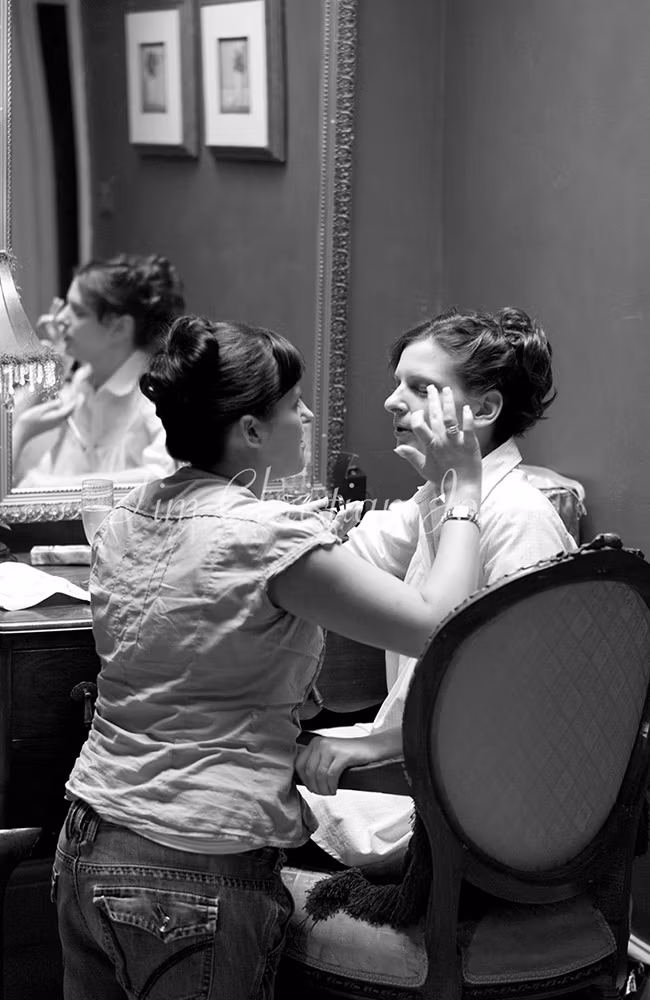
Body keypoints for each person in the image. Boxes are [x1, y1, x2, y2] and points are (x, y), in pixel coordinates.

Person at [53, 314, 484, 1000]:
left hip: (89, 842)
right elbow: (440, 625)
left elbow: (208, 639)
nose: (308, 414)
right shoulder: (266, 537)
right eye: (294, 404)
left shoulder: (132, 512)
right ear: (251, 431)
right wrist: (463, 492)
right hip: (196, 859)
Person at [297, 305, 578, 872]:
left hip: (482, 804)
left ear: (485, 409)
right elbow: (355, 558)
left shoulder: (518, 515)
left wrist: (379, 745)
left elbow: (520, 701)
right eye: (397, 383)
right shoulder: (442, 499)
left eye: (421, 387)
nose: (392, 401)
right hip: (431, 757)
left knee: (247, 804)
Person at [13, 252, 185, 486]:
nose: (60, 318)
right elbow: (15, 454)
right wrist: (51, 370)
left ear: (120, 327)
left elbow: (163, 476)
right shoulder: (82, 381)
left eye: (78, 311)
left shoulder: (153, 391)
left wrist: (46, 486)